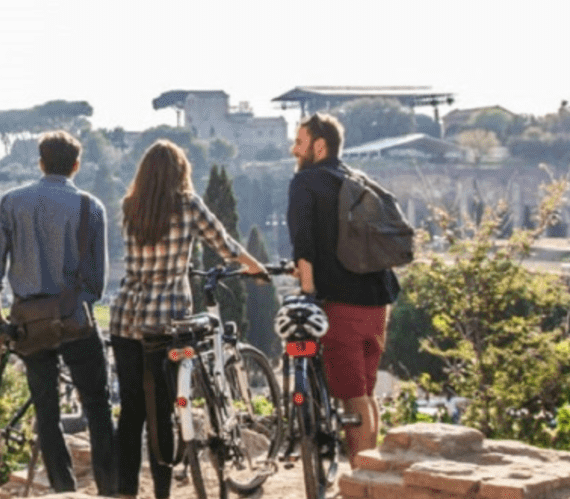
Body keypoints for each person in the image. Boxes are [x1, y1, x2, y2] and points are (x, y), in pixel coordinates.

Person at [108, 140, 264, 499]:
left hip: (125, 320)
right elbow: (224, 244)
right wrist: (254, 268)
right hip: (167, 324)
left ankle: (125, 491)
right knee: (161, 409)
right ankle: (162, 492)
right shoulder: (188, 205)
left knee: (131, 410)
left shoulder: (129, 206)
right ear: (181, 172)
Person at [0, 130, 117, 496]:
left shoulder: (11, 202)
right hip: (74, 319)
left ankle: (63, 489)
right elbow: (96, 284)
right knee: (98, 406)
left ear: (40, 163)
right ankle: (111, 489)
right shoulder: (92, 208)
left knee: (47, 413)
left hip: (28, 323)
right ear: (76, 165)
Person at [286, 112, 401, 457]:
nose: (294, 150)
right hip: (378, 300)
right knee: (365, 392)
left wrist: (307, 294)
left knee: (352, 399)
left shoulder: (304, 183)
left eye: (299, 142)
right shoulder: (356, 179)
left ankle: (360, 482)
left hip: (341, 304)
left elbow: (303, 245)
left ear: (319, 146)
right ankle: (371, 479)